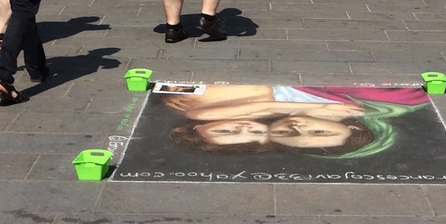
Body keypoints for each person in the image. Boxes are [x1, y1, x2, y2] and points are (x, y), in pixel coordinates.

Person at [161, 84, 427, 157]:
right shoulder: (391, 99)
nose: (298, 128)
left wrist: (171, 91)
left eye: (286, 135)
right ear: (353, 126)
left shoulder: (269, 106)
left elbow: (199, 114)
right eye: (319, 133)